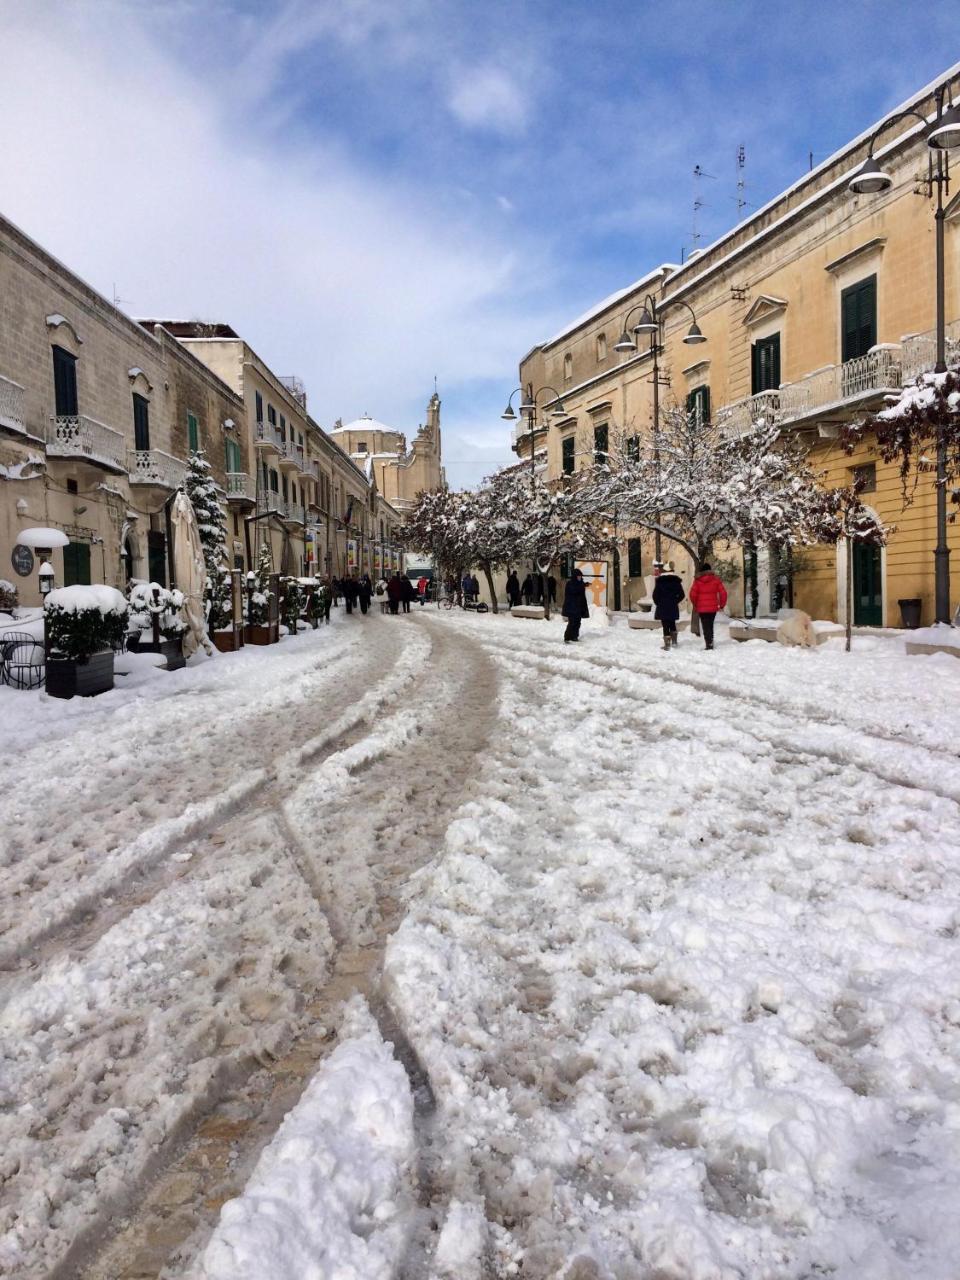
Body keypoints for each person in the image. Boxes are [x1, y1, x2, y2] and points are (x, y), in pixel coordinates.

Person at [688, 563, 728, 651]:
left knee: (706, 626)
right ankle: (710, 642)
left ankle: (709, 644)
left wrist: (696, 604)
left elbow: (692, 594)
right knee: (710, 625)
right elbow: (723, 593)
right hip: (713, 608)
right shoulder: (716, 580)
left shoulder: (697, 581)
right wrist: (722, 605)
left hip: (702, 608)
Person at [653, 560, 685, 650]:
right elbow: (682, 595)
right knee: (672, 623)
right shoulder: (676, 582)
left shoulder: (660, 582)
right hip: (672, 606)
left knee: (665, 625)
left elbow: (655, 595)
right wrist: (675, 601)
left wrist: (659, 603)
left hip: (662, 606)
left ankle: (667, 644)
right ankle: (674, 642)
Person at [561, 567, 589, 643]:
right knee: (572, 622)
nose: (580, 577)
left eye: (580, 576)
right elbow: (574, 590)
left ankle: (575, 636)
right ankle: (567, 637)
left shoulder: (580, 583)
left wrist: (584, 585)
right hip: (572, 607)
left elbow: (580, 590)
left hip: (579, 607)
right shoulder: (570, 584)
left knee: (577, 622)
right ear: (575, 576)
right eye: (578, 576)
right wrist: (582, 585)